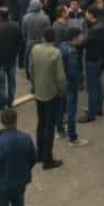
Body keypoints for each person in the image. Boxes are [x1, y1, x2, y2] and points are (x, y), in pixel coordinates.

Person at [29, 28, 66, 170]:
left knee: (41, 123)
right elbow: (60, 77)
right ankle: (47, 159)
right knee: (49, 126)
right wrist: (61, 91)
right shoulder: (56, 53)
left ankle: (39, 153)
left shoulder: (35, 49)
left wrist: (34, 84)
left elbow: (31, 69)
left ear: (43, 38)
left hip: (39, 91)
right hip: (51, 92)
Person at [0, 7, 24, 110]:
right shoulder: (15, 26)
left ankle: (2, 102)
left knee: (1, 83)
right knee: (11, 81)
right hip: (12, 58)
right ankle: (10, 101)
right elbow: (20, 41)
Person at [58, 27, 89, 147]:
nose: (82, 38)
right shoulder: (71, 52)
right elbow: (72, 71)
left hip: (62, 83)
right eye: (81, 36)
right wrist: (79, 80)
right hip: (71, 84)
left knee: (60, 107)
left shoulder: (62, 46)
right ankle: (73, 138)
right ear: (74, 37)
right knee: (71, 111)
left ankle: (60, 130)